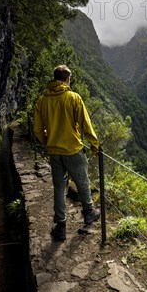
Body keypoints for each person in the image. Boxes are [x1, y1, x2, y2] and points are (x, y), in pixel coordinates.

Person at [33, 64, 101, 241]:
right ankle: (89, 213)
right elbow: (86, 125)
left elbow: (38, 129)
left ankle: (61, 226)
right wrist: (95, 145)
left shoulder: (43, 101)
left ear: (55, 79)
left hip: (54, 152)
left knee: (59, 188)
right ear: (66, 80)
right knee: (82, 182)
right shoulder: (73, 98)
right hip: (73, 150)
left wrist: (48, 142)